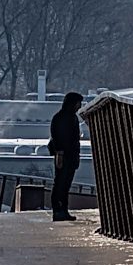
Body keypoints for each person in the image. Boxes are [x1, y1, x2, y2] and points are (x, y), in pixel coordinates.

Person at [47, 91, 85, 221]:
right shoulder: (68, 118)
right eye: (78, 103)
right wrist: (61, 153)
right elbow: (64, 139)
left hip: (66, 155)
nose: (79, 106)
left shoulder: (62, 117)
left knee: (62, 183)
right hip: (66, 156)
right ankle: (60, 210)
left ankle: (60, 210)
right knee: (62, 183)